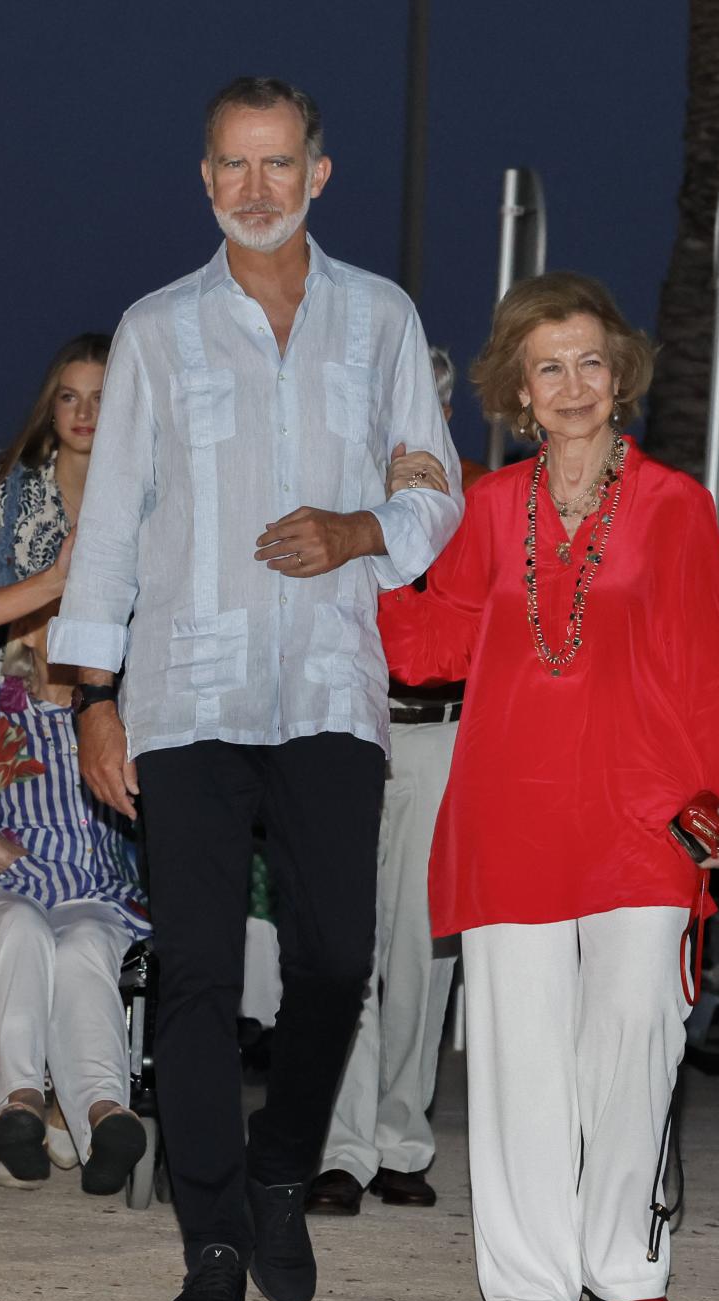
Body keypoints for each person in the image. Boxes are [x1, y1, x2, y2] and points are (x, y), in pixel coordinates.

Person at [48, 75, 461, 1301]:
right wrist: (94, 700)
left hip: (331, 688)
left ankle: (285, 1166)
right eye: (232, 165)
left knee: (340, 956)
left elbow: (435, 498)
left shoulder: (381, 321)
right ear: (206, 178)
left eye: (278, 164)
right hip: (184, 694)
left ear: (318, 175)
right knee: (197, 976)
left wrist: (359, 528)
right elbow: (110, 523)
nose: (255, 188)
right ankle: (216, 1232)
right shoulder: (158, 329)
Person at [377, 272, 719, 1301]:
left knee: (637, 1037)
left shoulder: (676, 506)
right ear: (517, 390)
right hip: (511, 815)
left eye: (589, 360)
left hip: (646, 817)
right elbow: (423, 647)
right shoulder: (489, 512)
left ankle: (628, 1266)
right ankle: (531, 1288)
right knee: (518, 1055)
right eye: (549, 366)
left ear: (619, 373)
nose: (574, 383)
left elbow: (711, 669)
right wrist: (381, 526)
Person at [308, 348, 485, 1217]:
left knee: (422, 947)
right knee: (348, 942)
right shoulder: (335, 509)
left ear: (444, 415)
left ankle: (402, 1139)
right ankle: (341, 1147)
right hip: (346, 730)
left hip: (445, 735)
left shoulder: (486, 502)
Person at [0, 604, 149, 1193]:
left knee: (84, 944)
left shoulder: (120, 713)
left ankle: (106, 1117)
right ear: (26, 634)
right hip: (5, 881)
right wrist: (13, 859)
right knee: (20, 928)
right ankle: (19, 1106)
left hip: (96, 887)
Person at [0, 334, 110, 687]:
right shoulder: (7, 485)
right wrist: (48, 584)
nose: (84, 413)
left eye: (101, 397)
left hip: (113, 708)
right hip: (10, 714)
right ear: (51, 406)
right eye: (69, 397)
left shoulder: (147, 494)